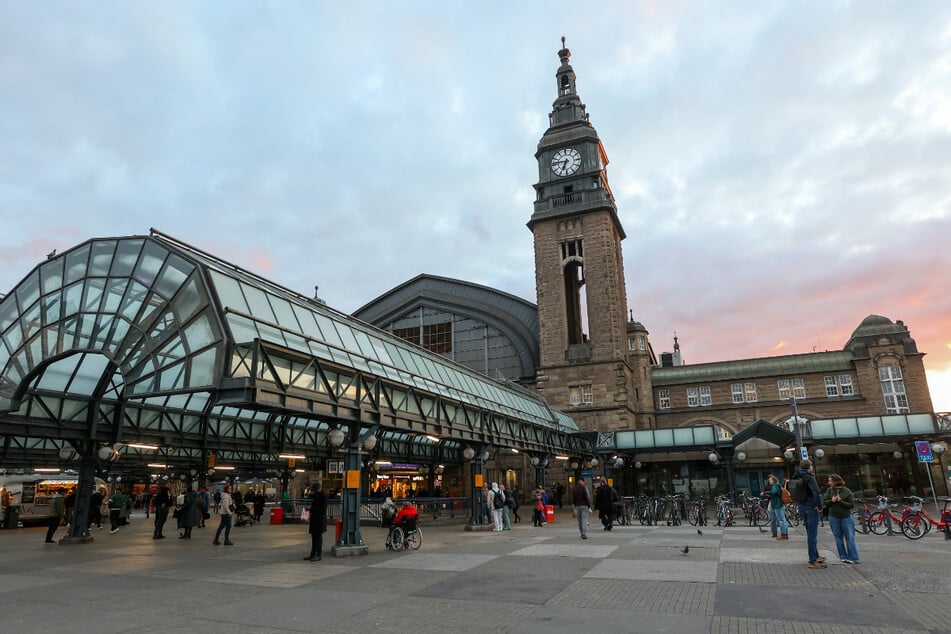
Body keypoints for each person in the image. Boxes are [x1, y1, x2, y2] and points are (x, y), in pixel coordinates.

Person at [792, 459, 825, 568]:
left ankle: (815, 555)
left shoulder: (796, 476)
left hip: (802, 505)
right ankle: (812, 560)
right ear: (809, 467)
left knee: (809, 532)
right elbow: (816, 492)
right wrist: (819, 506)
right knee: (812, 534)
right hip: (811, 506)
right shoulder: (809, 478)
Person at [823, 474, 860, 564]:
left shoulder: (847, 491)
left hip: (846, 517)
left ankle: (853, 557)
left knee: (849, 537)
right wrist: (832, 501)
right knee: (838, 537)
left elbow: (851, 504)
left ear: (835, 482)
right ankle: (842, 556)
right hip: (833, 517)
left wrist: (841, 501)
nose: (829, 483)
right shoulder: (829, 490)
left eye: (830, 481)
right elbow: (825, 501)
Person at [304, 482, 327, 561]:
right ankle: (313, 554)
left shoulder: (322, 497)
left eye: (314, 490)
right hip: (315, 520)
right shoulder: (317, 495)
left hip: (319, 520)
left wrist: (311, 508)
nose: (313, 491)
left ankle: (318, 555)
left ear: (318, 489)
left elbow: (322, 510)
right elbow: (309, 495)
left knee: (318, 538)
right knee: (314, 537)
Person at [762, 474, 788, 540]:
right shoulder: (777, 486)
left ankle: (784, 534)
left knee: (781, 520)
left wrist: (765, 493)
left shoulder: (775, 486)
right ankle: (785, 534)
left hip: (777, 504)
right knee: (782, 519)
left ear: (773, 480)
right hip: (778, 504)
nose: (769, 481)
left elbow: (773, 492)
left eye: (770, 480)